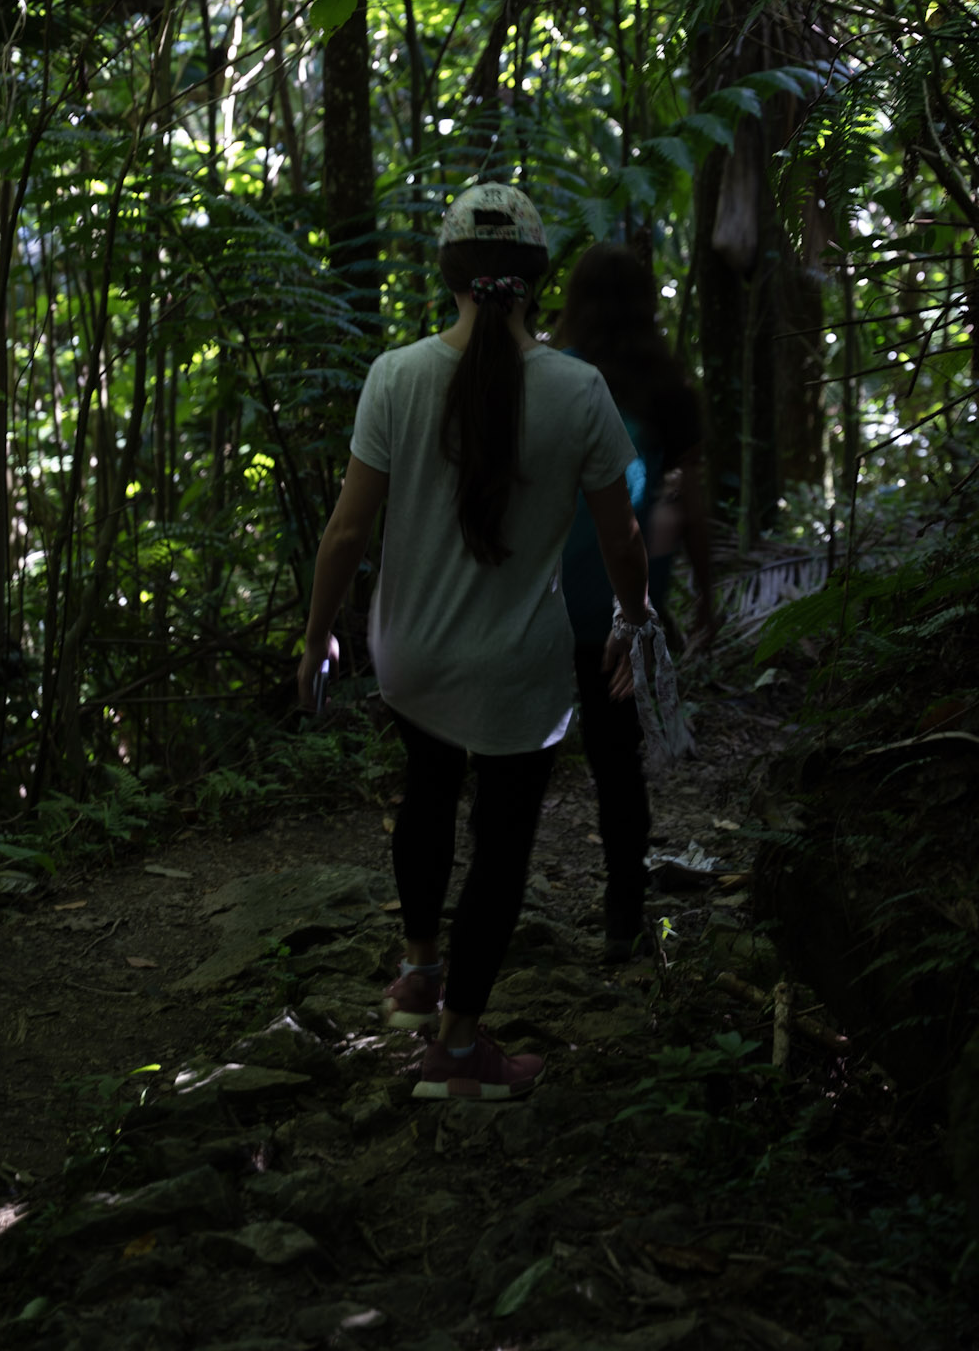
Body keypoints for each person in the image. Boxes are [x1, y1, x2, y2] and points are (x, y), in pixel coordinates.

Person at [297, 184, 651, 1101]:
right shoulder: (578, 390)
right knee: (500, 840)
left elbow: (344, 535)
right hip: (514, 669)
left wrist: (316, 638)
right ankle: (456, 1050)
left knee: (425, 790)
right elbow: (621, 535)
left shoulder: (396, 375)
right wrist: (634, 617)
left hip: (410, 653)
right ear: (536, 283)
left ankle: (419, 972)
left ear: (447, 275)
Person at [556, 244, 716, 958]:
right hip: (627, 597)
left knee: (515, 756)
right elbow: (693, 500)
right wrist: (703, 590)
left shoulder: (553, 380)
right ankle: (622, 915)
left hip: (540, 593)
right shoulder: (665, 388)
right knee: (615, 757)